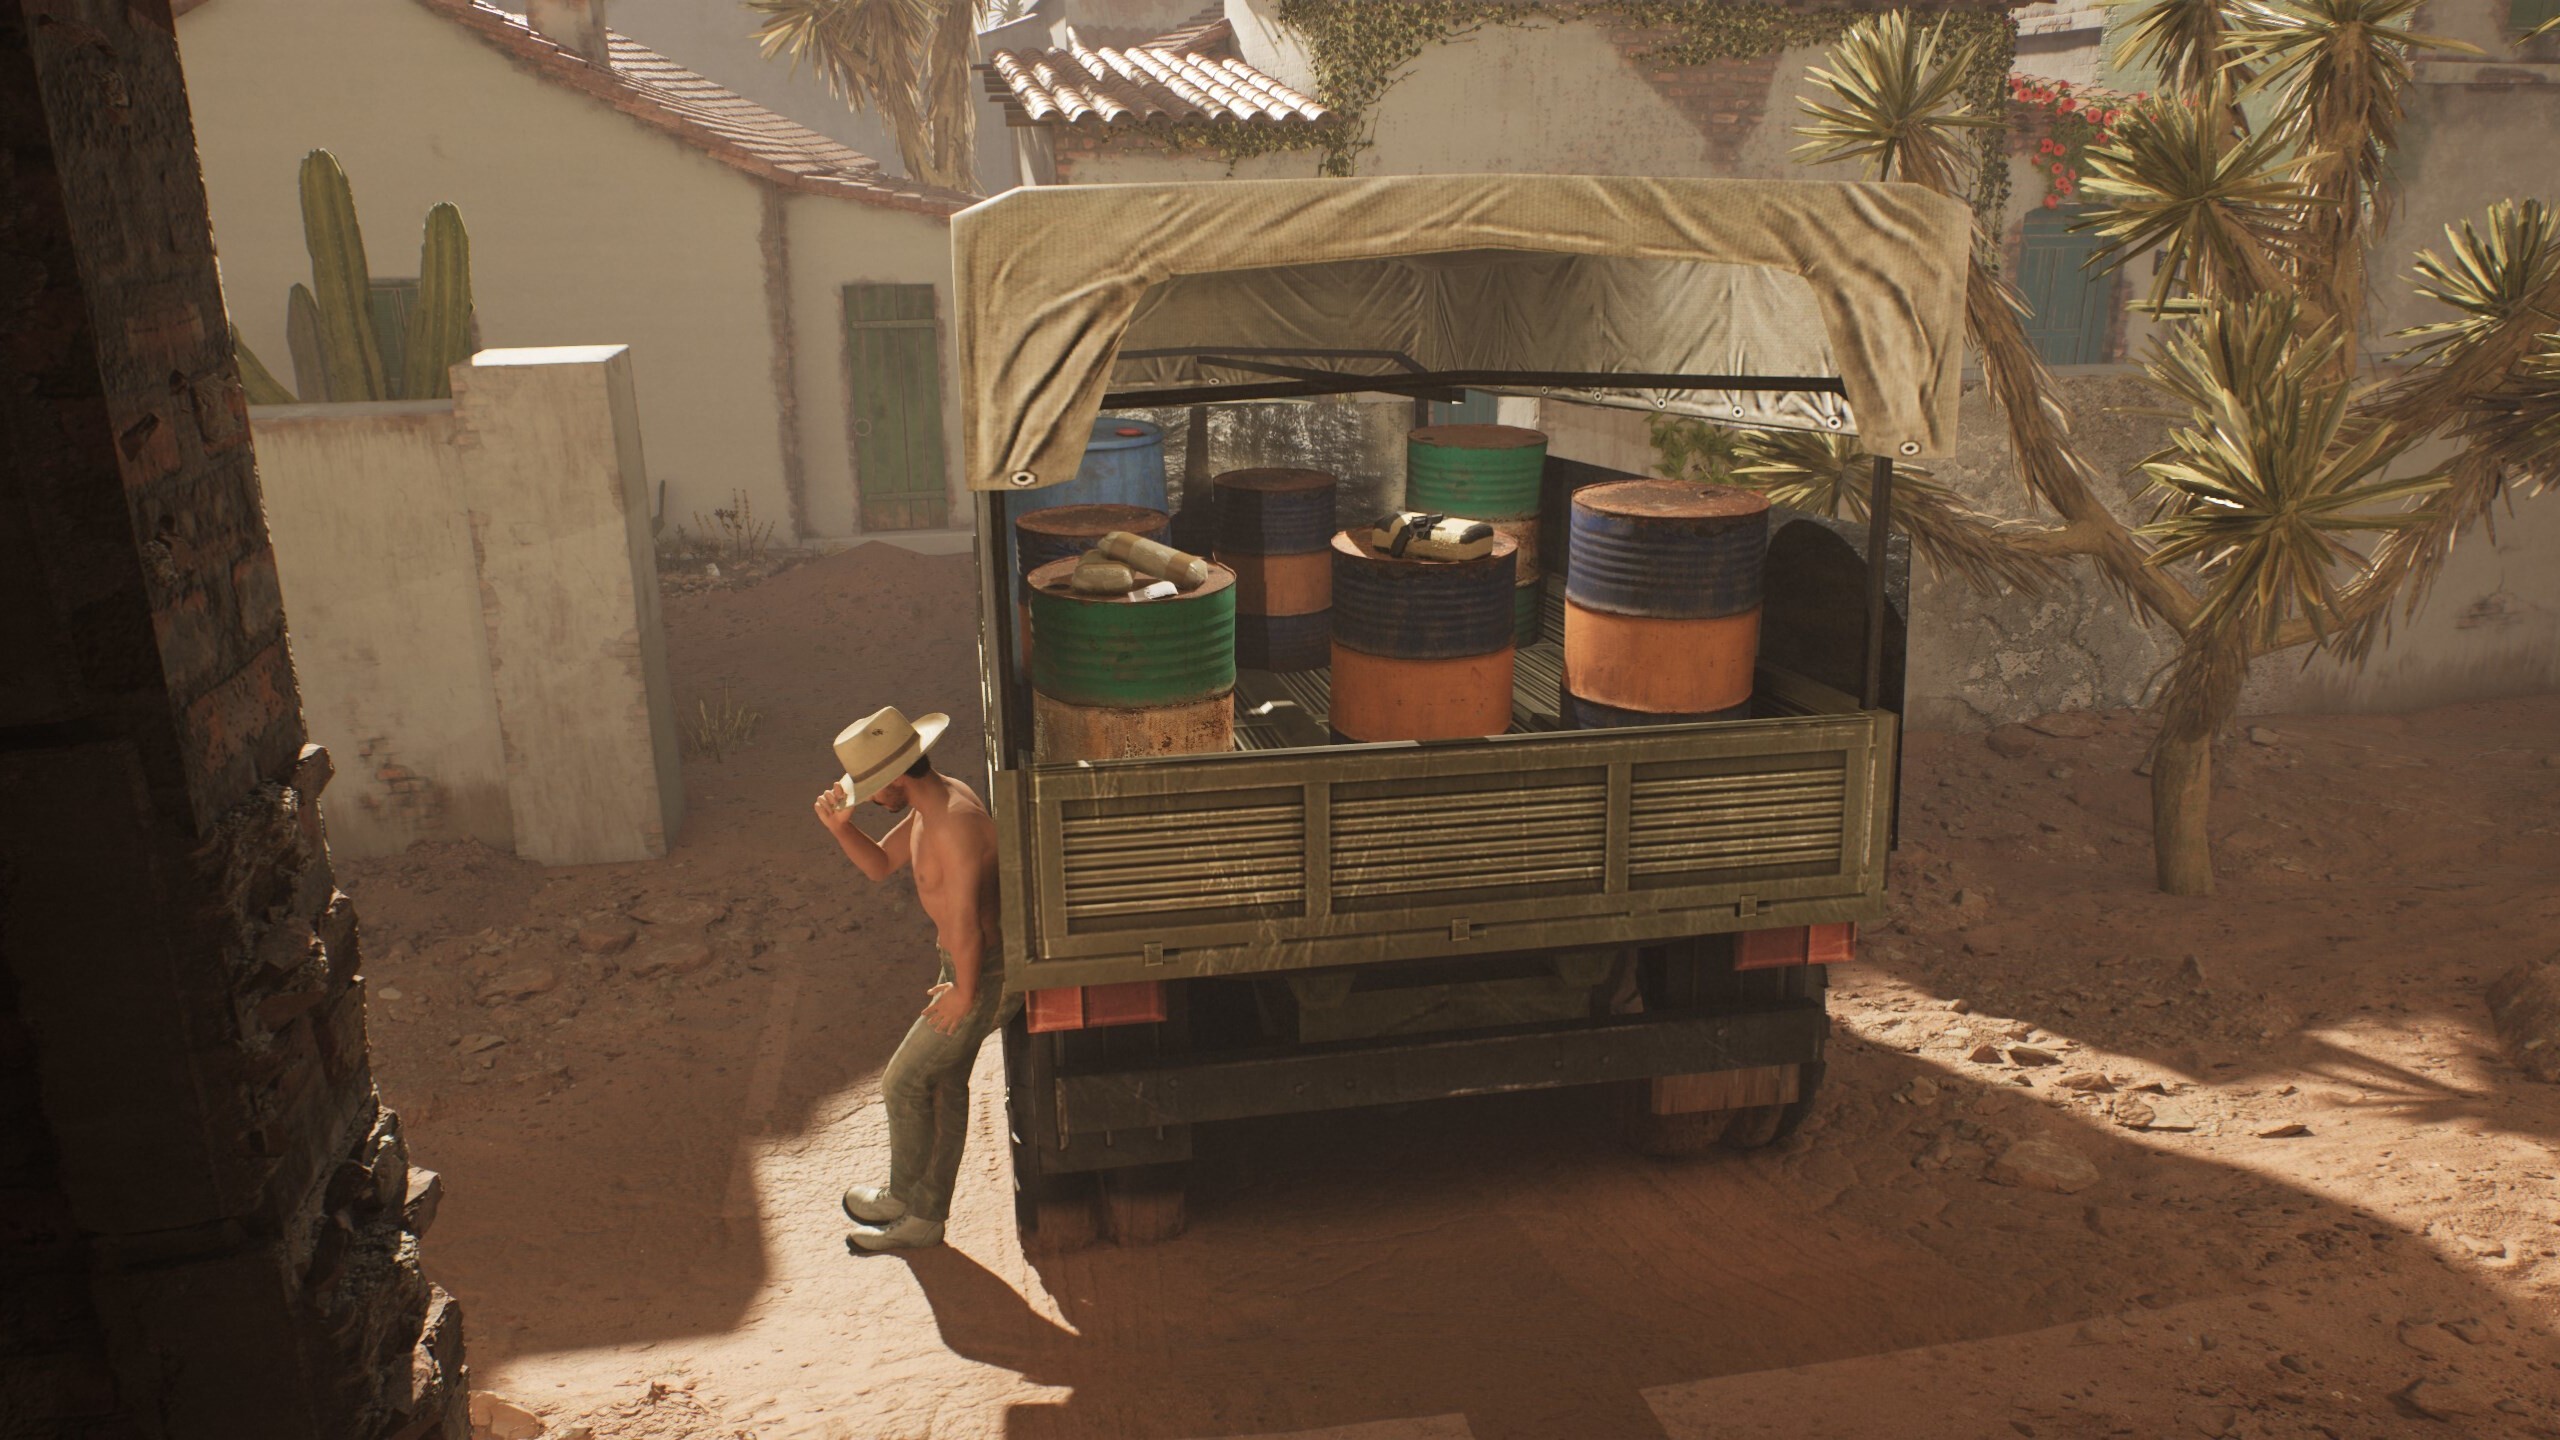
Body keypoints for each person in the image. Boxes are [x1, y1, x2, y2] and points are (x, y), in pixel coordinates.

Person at [812, 705, 1013, 1253]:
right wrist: (841, 829)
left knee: (900, 1082)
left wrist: (965, 991)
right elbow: (880, 864)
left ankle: (908, 1202)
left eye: (871, 787)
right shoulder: (934, 803)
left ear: (897, 777)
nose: (869, 798)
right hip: (962, 966)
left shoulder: (953, 824)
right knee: (942, 1085)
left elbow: (967, 922)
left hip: (981, 970)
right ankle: (920, 1212)